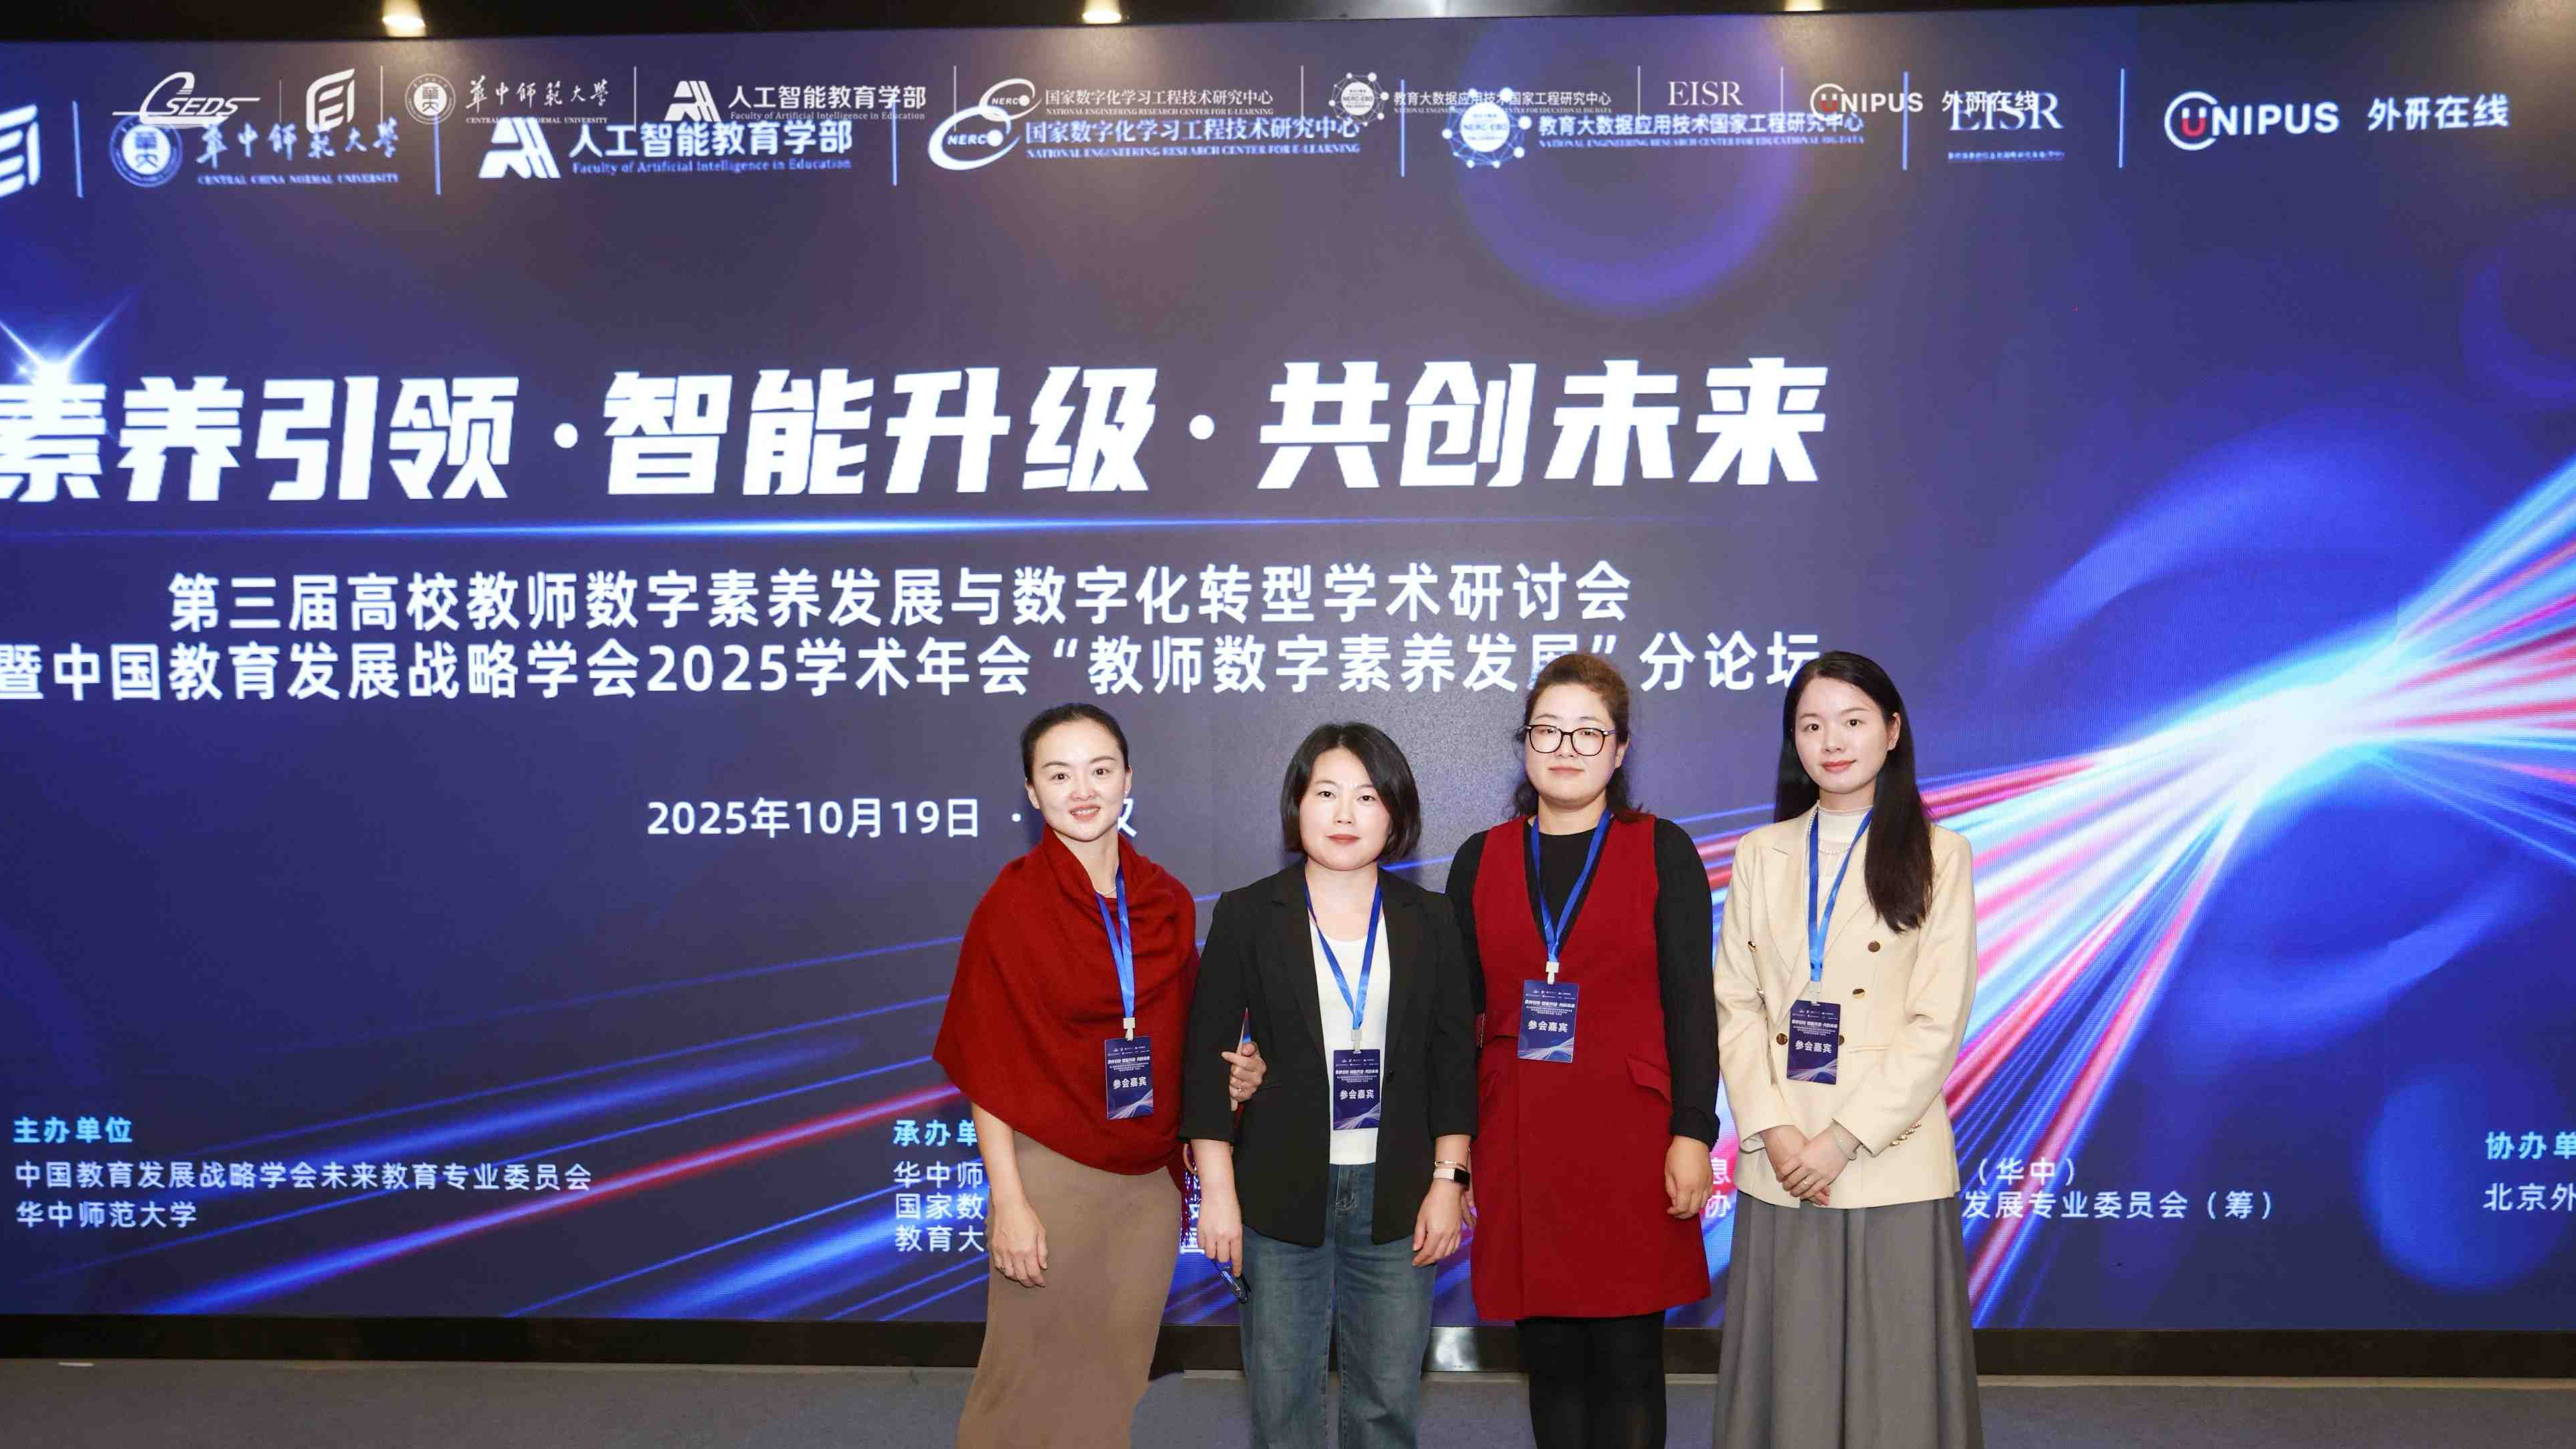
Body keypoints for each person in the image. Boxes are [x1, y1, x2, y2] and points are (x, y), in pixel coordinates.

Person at [933, 702, 1268, 1449]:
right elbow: (986, 1061)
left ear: (1127, 779)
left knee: (1113, 1384)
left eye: (1099, 769)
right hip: (1048, 1174)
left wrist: (1236, 1077)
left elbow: (1189, 1036)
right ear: (1031, 792)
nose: (1082, 790)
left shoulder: (1165, 899)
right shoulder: (1011, 904)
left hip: (1149, 1179)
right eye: (1059, 775)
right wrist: (1009, 1203)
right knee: (1022, 1384)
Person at [1445, 653, 1718, 1449]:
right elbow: (1455, 1022)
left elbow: (1690, 1007)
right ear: (1524, 743)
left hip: (1632, 1141)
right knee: (1551, 1361)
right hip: (1518, 1142)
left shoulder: (1660, 849)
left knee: (1628, 1356)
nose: (1565, 748)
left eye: (1587, 732)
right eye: (1547, 730)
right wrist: (1455, 1157)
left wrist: (1692, 1131)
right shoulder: (1480, 857)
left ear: (1619, 748)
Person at [1711, 651, 1984, 1449]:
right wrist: (1775, 1129)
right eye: (1810, 724)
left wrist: (1840, 1139)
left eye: (1852, 720)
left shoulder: (1941, 853)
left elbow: (1936, 1021)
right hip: (1781, 1155)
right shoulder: (1760, 852)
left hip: (1887, 1153)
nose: (1831, 741)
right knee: (1787, 1377)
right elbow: (1734, 1003)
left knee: (1893, 1386)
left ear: (1891, 730)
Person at [1186, 722, 1477, 1449]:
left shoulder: (1430, 918)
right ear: (1297, 804)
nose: (1345, 814)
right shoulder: (1248, 913)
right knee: (1282, 1404)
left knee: (1385, 1404)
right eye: (1326, 793)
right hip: (1277, 1189)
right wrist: (1216, 1192)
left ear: (1395, 813)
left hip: (1398, 1191)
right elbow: (1206, 1059)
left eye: (1367, 796)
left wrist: (1450, 1180)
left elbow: (1451, 1061)